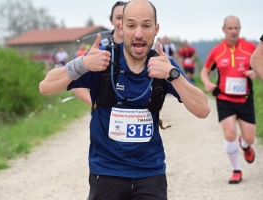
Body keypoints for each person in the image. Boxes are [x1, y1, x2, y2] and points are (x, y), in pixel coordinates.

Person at [39, 0, 210, 199]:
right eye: (131, 25)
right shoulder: (102, 59)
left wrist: (172, 74)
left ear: (156, 29)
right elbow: (46, 86)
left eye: (146, 26)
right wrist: (82, 64)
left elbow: (203, 109)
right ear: (121, 28)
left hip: (150, 172)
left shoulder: (164, 64)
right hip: (106, 171)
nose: (138, 33)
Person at [200, 16, 257, 184]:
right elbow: (204, 71)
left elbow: (260, 64)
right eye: (230, 28)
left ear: (240, 29)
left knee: (250, 138)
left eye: (236, 28)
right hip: (224, 98)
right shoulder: (217, 51)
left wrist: (255, 72)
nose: (233, 31)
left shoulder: (250, 48)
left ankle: (245, 145)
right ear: (223, 29)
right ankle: (236, 170)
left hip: (245, 98)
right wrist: (207, 83)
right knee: (229, 133)